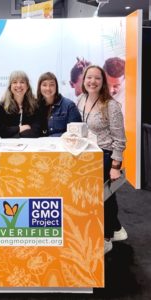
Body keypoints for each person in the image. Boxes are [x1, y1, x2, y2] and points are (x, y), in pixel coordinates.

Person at [77, 65, 127, 254]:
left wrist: (115, 165)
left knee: (102, 199)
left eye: (97, 78)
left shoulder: (111, 105)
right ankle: (115, 229)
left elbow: (120, 139)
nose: (93, 81)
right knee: (97, 197)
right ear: (84, 80)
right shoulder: (81, 99)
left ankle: (106, 238)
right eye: (89, 77)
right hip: (86, 156)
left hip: (104, 155)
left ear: (103, 82)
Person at [0, 70, 41, 138]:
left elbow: (36, 131)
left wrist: (15, 134)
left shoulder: (35, 104)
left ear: (27, 86)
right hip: (8, 146)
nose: (18, 85)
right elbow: (2, 132)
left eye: (22, 82)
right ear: (10, 86)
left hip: (30, 145)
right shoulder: (2, 105)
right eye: (14, 82)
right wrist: (21, 128)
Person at [37, 72, 81, 137]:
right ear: (39, 87)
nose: (48, 88)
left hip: (63, 145)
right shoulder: (36, 106)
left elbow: (75, 133)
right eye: (44, 85)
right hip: (40, 145)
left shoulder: (69, 105)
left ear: (56, 87)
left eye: (51, 85)